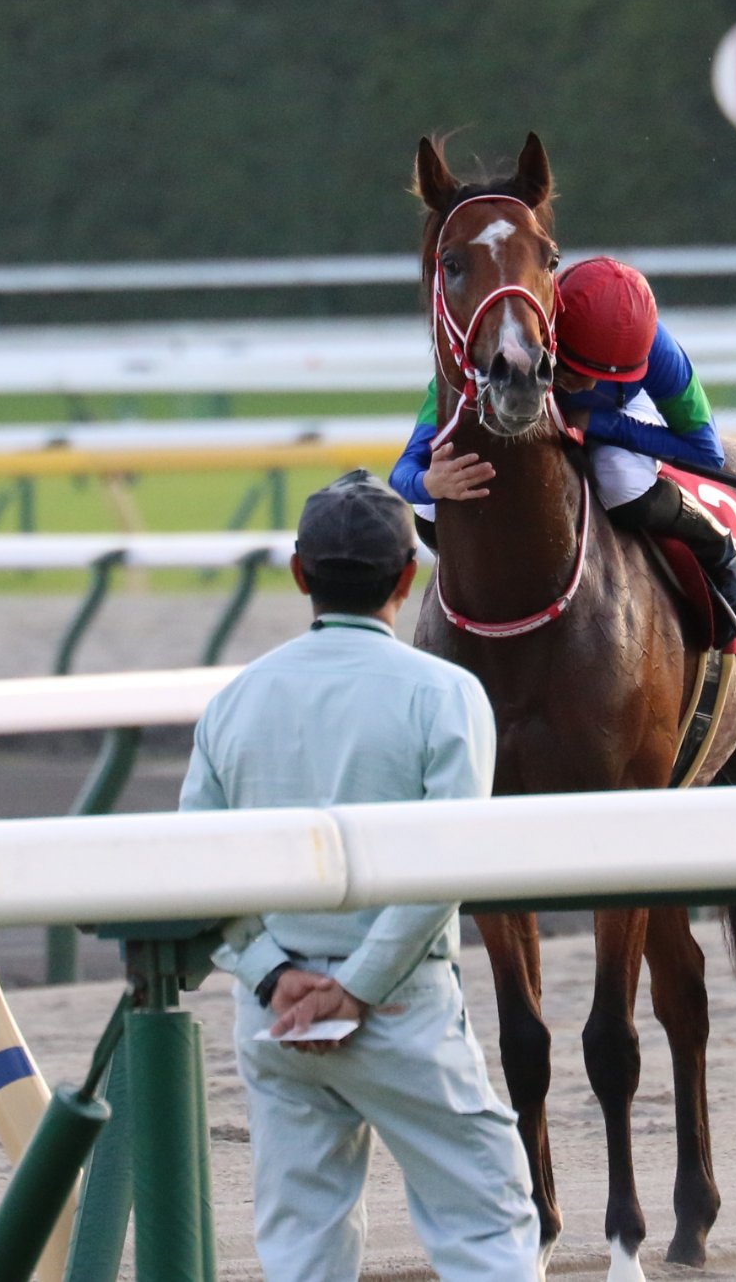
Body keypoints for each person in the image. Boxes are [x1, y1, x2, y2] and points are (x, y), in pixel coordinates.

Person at [179, 470, 540, 1282]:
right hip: (403, 1010)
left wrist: (275, 977)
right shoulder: (447, 694)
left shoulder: (235, 700)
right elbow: (445, 862)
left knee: (302, 1247)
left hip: (274, 1017)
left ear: (299, 573)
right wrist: (358, 988)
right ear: (409, 578)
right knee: (487, 1224)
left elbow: (195, 867)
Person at [390, 255, 736, 642]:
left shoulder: (660, 352)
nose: (588, 386)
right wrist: (426, 483)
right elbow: (404, 471)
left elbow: (707, 454)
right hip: (533, 398)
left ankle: (722, 549)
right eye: (575, 372)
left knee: (622, 481)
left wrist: (603, 424)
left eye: (603, 377)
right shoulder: (511, 347)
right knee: (428, 509)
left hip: (621, 412)